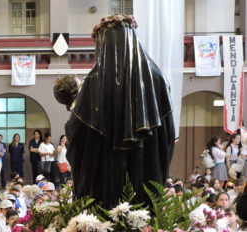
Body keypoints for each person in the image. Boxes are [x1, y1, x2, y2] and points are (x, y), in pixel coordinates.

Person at [58, 16, 176, 208]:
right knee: (144, 217)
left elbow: (76, 135)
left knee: (105, 218)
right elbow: (169, 136)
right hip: (148, 164)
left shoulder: (92, 83)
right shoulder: (158, 79)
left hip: (104, 173)